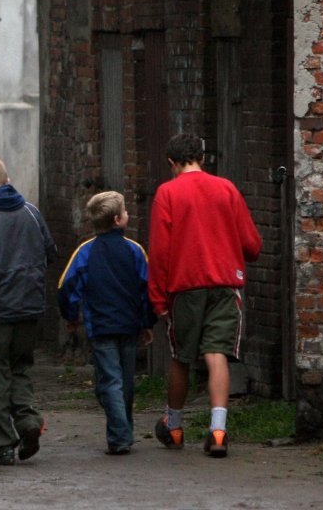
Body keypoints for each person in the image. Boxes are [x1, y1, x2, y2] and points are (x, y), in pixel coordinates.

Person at [148, 133, 262, 458]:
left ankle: (174, 425)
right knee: (217, 355)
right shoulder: (226, 189)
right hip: (225, 285)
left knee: (182, 357)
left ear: (172, 162)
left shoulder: (167, 193)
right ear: (203, 157)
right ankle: (218, 430)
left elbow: (160, 252)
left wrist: (158, 299)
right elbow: (252, 244)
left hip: (185, 287)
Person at [0, 157, 57, 465]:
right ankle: (29, 422)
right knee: (21, 368)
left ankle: (1, 444)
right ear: (7, 179)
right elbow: (50, 252)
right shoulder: (32, 211)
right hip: (30, 307)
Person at [57, 191, 155, 455]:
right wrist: (147, 322)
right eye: (125, 212)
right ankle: (124, 430)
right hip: (129, 325)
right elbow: (147, 289)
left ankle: (119, 435)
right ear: (117, 220)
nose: (128, 215)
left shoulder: (85, 252)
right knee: (125, 380)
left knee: (109, 381)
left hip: (100, 326)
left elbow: (67, 286)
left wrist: (70, 316)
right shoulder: (135, 251)